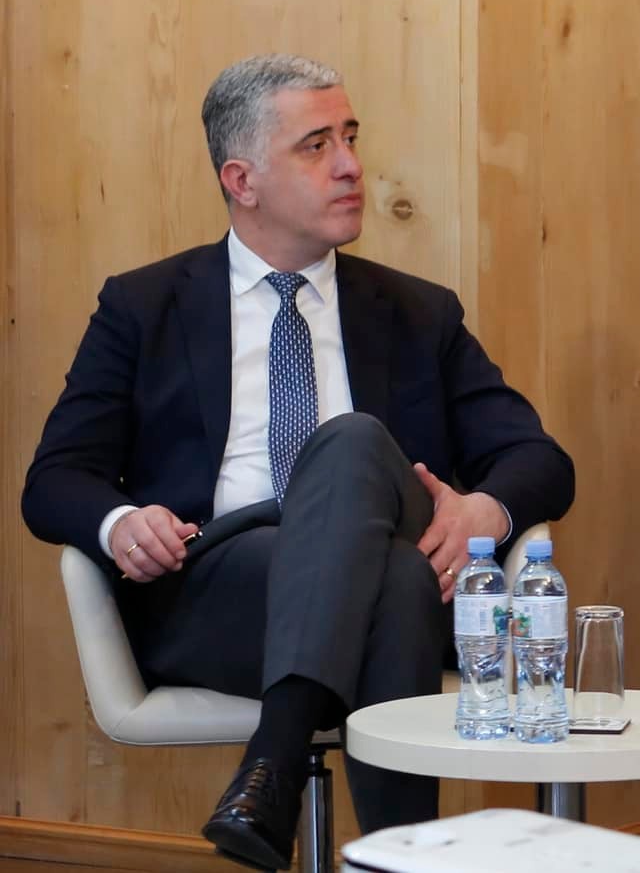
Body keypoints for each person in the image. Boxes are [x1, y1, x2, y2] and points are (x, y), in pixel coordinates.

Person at [22, 55, 575, 870]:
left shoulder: (418, 313)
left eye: (350, 137)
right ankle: (400, 858)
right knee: (394, 575)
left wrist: (483, 511)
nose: (350, 165)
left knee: (354, 448)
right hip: (220, 593)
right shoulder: (144, 307)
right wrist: (120, 522)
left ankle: (270, 768)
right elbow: (54, 480)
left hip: (384, 578)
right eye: (316, 146)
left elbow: (540, 459)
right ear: (241, 180)